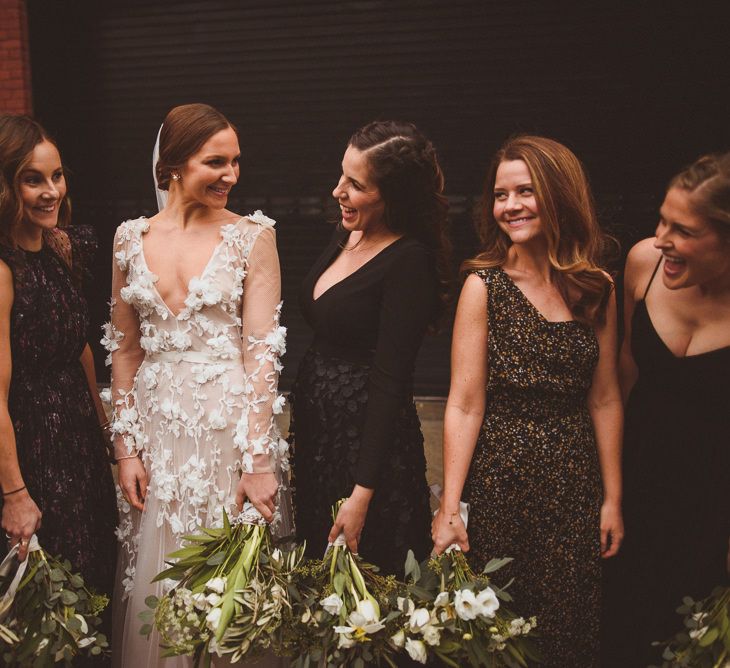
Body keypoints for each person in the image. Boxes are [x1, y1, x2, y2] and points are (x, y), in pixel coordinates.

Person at [107, 103, 291, 666]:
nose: (231, 176)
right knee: (160, 577)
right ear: (174, 165)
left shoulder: (252, 237)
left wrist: (257, 461)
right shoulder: (128, 238)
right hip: (158, 431)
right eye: (216, 162)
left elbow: (262, 353)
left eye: (236, 162)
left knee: (230, 584)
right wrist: (125, 449)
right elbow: (123, 349)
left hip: (228, 431)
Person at [431, 135, 623, 666]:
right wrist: (450, 506)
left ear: (560, 195)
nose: (509, 206)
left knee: (568, 629)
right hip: (500, 483)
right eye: (500, 194)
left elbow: (605, 398)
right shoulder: (484, 286)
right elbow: (464, 403)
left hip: (573, 485)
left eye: (524, 191)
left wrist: (612, 497)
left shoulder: (595, 287)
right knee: (499, 632)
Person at [290, 120, 450, 576]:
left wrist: (362, 494)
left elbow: (389, 381)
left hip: (366, 452)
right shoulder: (349, 232)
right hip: (320, 439)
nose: (338, 190)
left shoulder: (409, 261)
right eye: (342, 175)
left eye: (356, 184)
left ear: (393, 197)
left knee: (366, 591)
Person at [601, 154, 730, 666]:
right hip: (637, 490)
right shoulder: (642, 264)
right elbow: (623, 375)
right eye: (661, 219)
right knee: (622, 634)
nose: (660, 239)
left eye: (682, 229)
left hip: (712, 511)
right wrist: (610, 489)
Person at [0, 115, 118, 645]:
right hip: (30, 450)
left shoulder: (65, 247)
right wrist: (15, 494)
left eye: (57, 176)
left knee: (92, 580)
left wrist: (107, 427)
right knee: (45, 608)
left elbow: (79, 345)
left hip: (79, 443)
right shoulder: (2, 270)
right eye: (33, 179)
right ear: (6, 187)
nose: (51, 192)